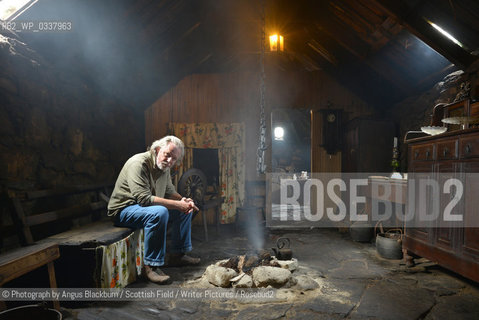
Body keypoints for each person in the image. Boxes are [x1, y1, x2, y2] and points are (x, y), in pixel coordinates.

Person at [107, 135, 200, 284]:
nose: (170, 161)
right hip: (123, 210)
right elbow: (143, 199)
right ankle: (151, 267)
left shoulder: (165, 167)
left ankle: (177, 255)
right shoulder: (138, 163)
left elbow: (170, 190)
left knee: (185, 209)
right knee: (160, 212)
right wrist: (177, 204)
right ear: (157, 150)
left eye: (174, 159)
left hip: (143, 209)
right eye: (167, 155)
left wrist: (183, 201)